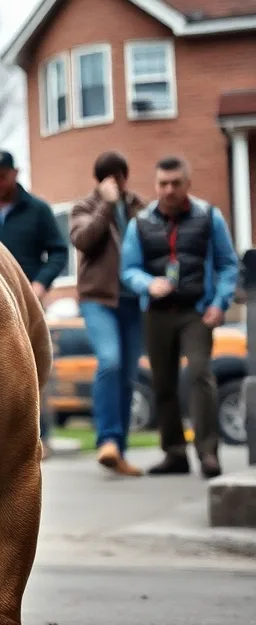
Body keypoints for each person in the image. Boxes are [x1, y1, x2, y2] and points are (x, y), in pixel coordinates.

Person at [121, 156, 238, 479]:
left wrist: (219, 303)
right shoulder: (140, 223)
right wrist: (148, 283)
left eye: (175, 183)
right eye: (163, 184)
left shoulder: (209, 216)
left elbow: (228, 264)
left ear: (187, 183)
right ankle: (174, 454)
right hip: (156, 314)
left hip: (197, 311)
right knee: (162, 384)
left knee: (201, 374)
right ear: (156, 185)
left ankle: (208, 454)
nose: (169, 190)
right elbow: (128, 269)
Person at [0, 149, 69, 447]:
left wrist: (41, 283)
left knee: (32, 369)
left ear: (15, 174)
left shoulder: (38, 210)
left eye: (2, 176)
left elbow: (59, 251)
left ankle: (39, 439)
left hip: (27, 302)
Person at [69, 152, 147, 476]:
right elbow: (82, 240)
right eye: (107, 178)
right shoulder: (84, 207)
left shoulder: (140, 208)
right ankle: (108, 441)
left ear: (126, 177)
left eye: (118, 176)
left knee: (128, 376)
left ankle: (120, 451)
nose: (115, 182)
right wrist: (106, 204)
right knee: (110, 361)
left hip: (132, 301)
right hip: (97, 299)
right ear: (99, 181)